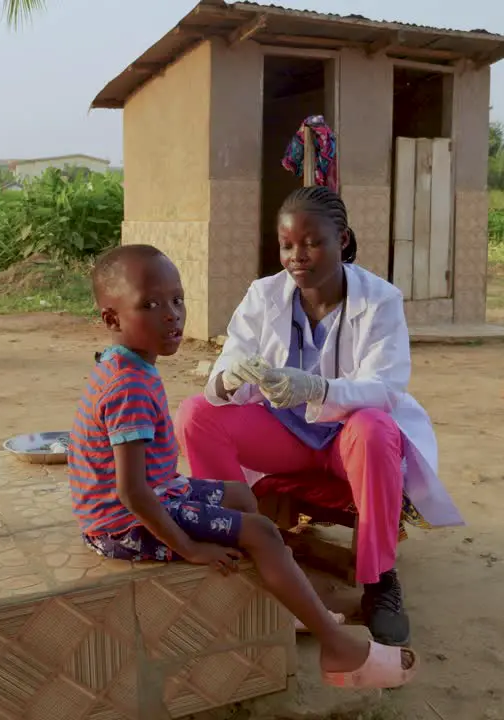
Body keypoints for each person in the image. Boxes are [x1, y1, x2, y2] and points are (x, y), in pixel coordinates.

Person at [68, 244, 417, 689]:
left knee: (238, 496)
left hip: (154, 494)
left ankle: (284, 599)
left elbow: (385, 387)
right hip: (121, 526)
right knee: (261, 532)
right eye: (150, 305)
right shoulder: (130, 386)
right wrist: (189, 547)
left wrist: (313, 386)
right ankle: (337, 647)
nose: (171, 315)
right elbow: (132, 492)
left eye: (177, 299)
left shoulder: (131, 365)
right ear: (112, 319)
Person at [176, 186, 464, 648]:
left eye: (312, 242)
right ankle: (238, 538)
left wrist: (317, 388)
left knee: (373, 427)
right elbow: (224, 368)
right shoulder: (264, 295)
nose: (297, 256)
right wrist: (232, 378)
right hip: (286, 437)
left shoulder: (381, 300)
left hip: (348, 441)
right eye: (288, 245)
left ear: (343, 240)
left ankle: (379, 581)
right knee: (197, 413)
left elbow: (386, 388)